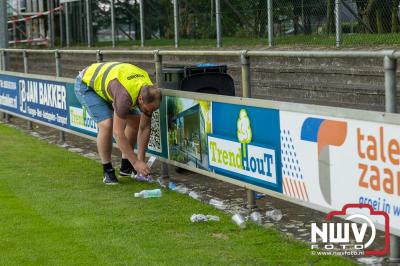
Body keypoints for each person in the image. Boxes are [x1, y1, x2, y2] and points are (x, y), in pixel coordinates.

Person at [74, 62, 162, 185]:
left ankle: (126, 167)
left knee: (135, 121)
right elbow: (118, 133)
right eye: (149, 109)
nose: (149, 112)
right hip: (87, 85)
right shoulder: (124, 96)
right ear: (141, 99)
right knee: (107, 124)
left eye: (153, 110)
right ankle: (107, 171)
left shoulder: (148, 90)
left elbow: (145, 128)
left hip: (116, 83)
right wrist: (136, 163)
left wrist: (141, 162)